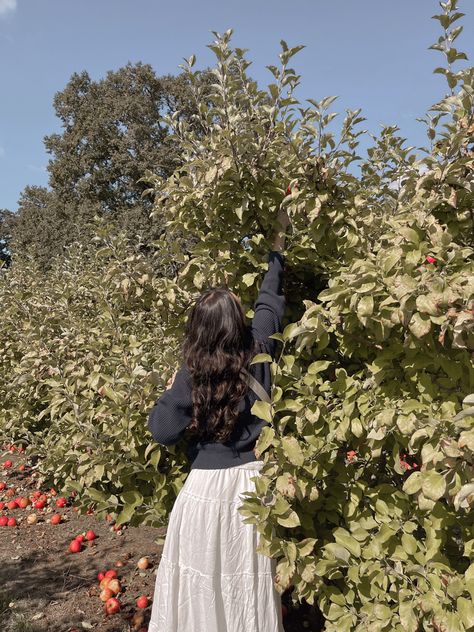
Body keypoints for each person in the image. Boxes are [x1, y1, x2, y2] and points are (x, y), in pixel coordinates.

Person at [147, 205, 290, 632]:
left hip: (205, 489)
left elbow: (162, 432)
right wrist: (279, 241)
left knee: (201, 586)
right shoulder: (260, 346)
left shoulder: (192, 374)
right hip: (253, 486)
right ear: (238, 324)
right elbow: (270, 296)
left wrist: (173, 389)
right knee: (248, 585)